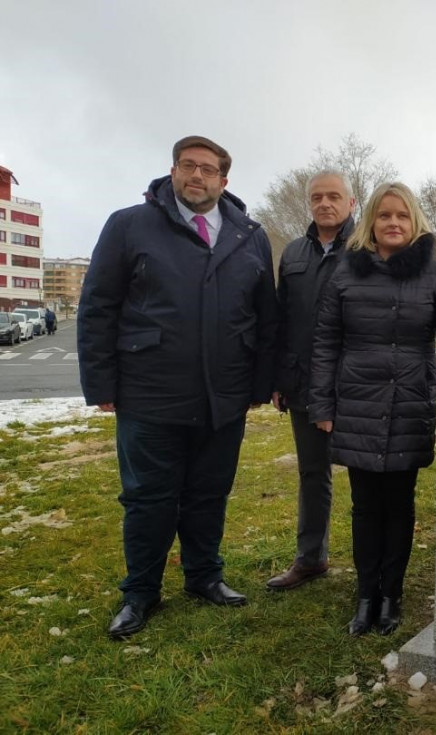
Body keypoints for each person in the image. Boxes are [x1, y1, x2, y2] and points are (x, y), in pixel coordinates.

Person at [77, 135, 277, 639]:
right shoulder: (130, 225)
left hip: (224, 396)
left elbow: (265, 317)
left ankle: (204, 577)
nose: (197, 176)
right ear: (172, 172)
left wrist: (260, 382)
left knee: (209, 493)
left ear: (223, 181)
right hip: (150, 393)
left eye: (208, 169)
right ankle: (140, 592)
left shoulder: (248, 235)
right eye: (188, 166)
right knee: (148, 498)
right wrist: (100, 381)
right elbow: (98, 306)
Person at [308, 182, 436, 636]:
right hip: (357, 403)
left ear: (414, 220)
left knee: (399, 505)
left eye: (402, 216)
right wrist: (322, 403)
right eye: (384, 216)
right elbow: (325, 343)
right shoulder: (345, 272)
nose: (393, 223)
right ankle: (366, 596)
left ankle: (391, 595)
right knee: (365, 506)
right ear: (371, 223)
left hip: (409, 403)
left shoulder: (434, 274)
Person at [266, 170, 355, 591]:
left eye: (334, 196)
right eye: (317, 197)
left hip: (356, 387)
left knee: (365, 477)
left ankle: (370, 567)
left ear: (351, 203)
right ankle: (311, 558)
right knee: (312, 474)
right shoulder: (295, 254)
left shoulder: (366, 250)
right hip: (303, 385)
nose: (325, 203)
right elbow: (282, 321)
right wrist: (281, 378)